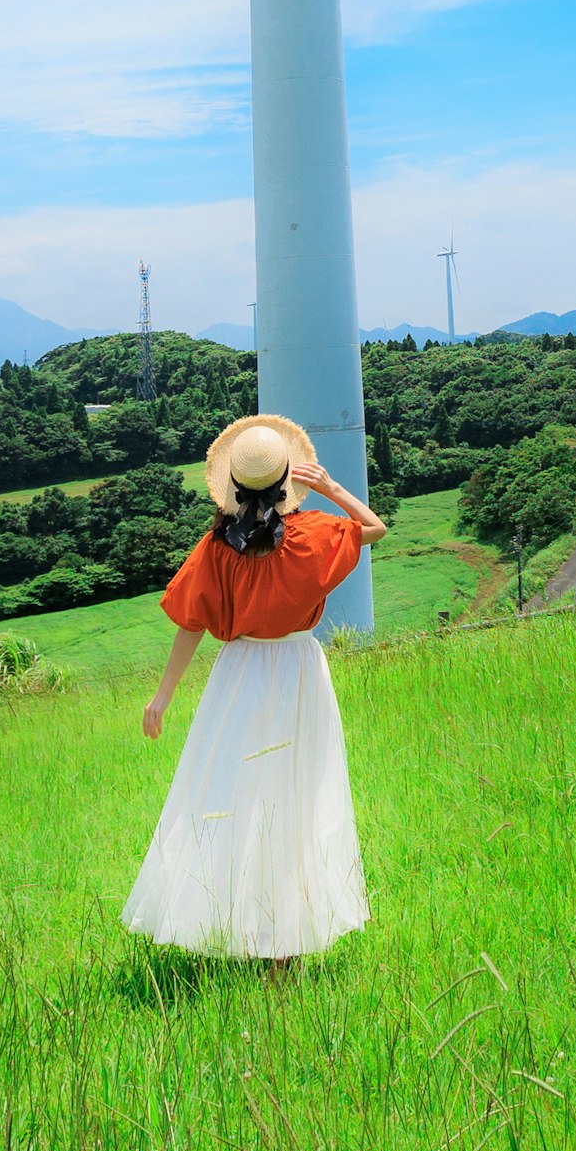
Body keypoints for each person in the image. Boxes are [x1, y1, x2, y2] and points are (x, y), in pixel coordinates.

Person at [122, 411, 388, 966]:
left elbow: (190, 622)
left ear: (232, 488)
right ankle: (283, 945)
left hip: (238, 676)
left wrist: (163, 696)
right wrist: (333, 488)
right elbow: (375, 529)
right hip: (298, 675)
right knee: (294, 797)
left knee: (229, 796)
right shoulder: (313, 538)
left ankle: (231, 922)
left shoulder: (218, 548)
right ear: (290, 481)